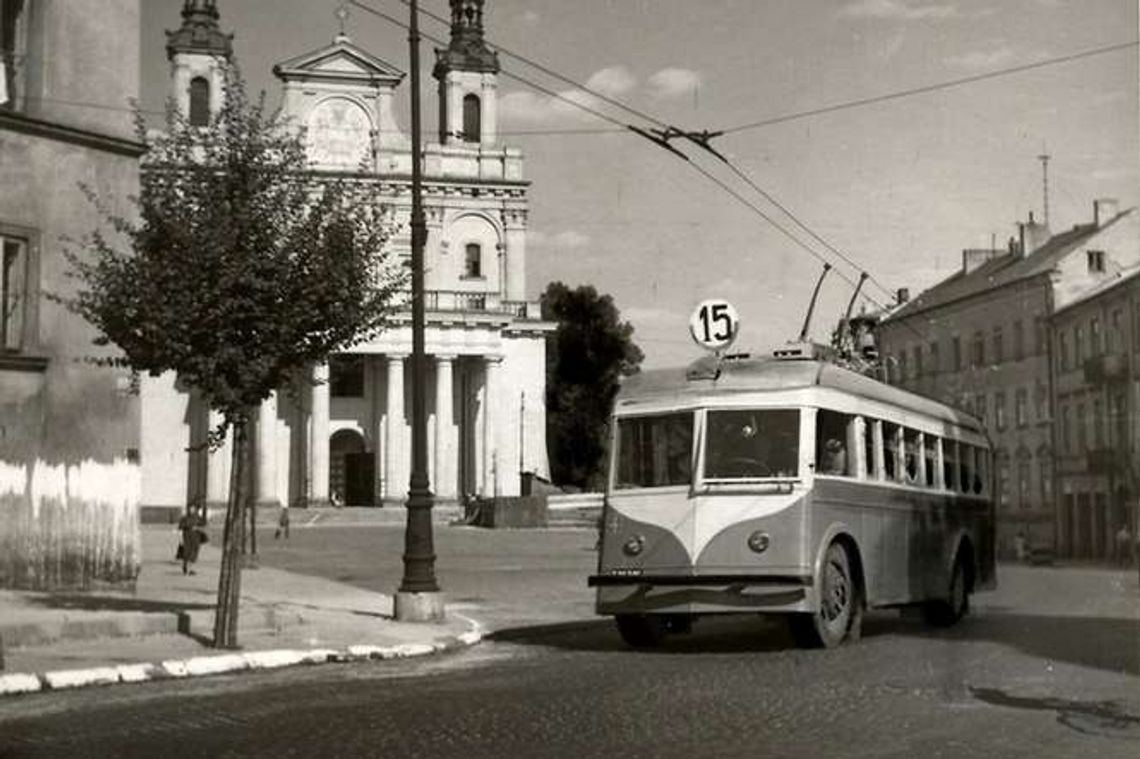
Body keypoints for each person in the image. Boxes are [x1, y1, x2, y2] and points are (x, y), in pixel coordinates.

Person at [177, 505, 207, 575]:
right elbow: (180, 529)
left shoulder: (198, 518)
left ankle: (189, 568)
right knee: (187, 553)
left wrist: (197, 528)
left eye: (193, 509)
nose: (191, 510)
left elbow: (203, 526)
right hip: (187, 538)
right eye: (190, 509)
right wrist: (180, 539)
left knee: (193, 554)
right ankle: (187, 568)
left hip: (196, 538)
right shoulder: (185, 518)